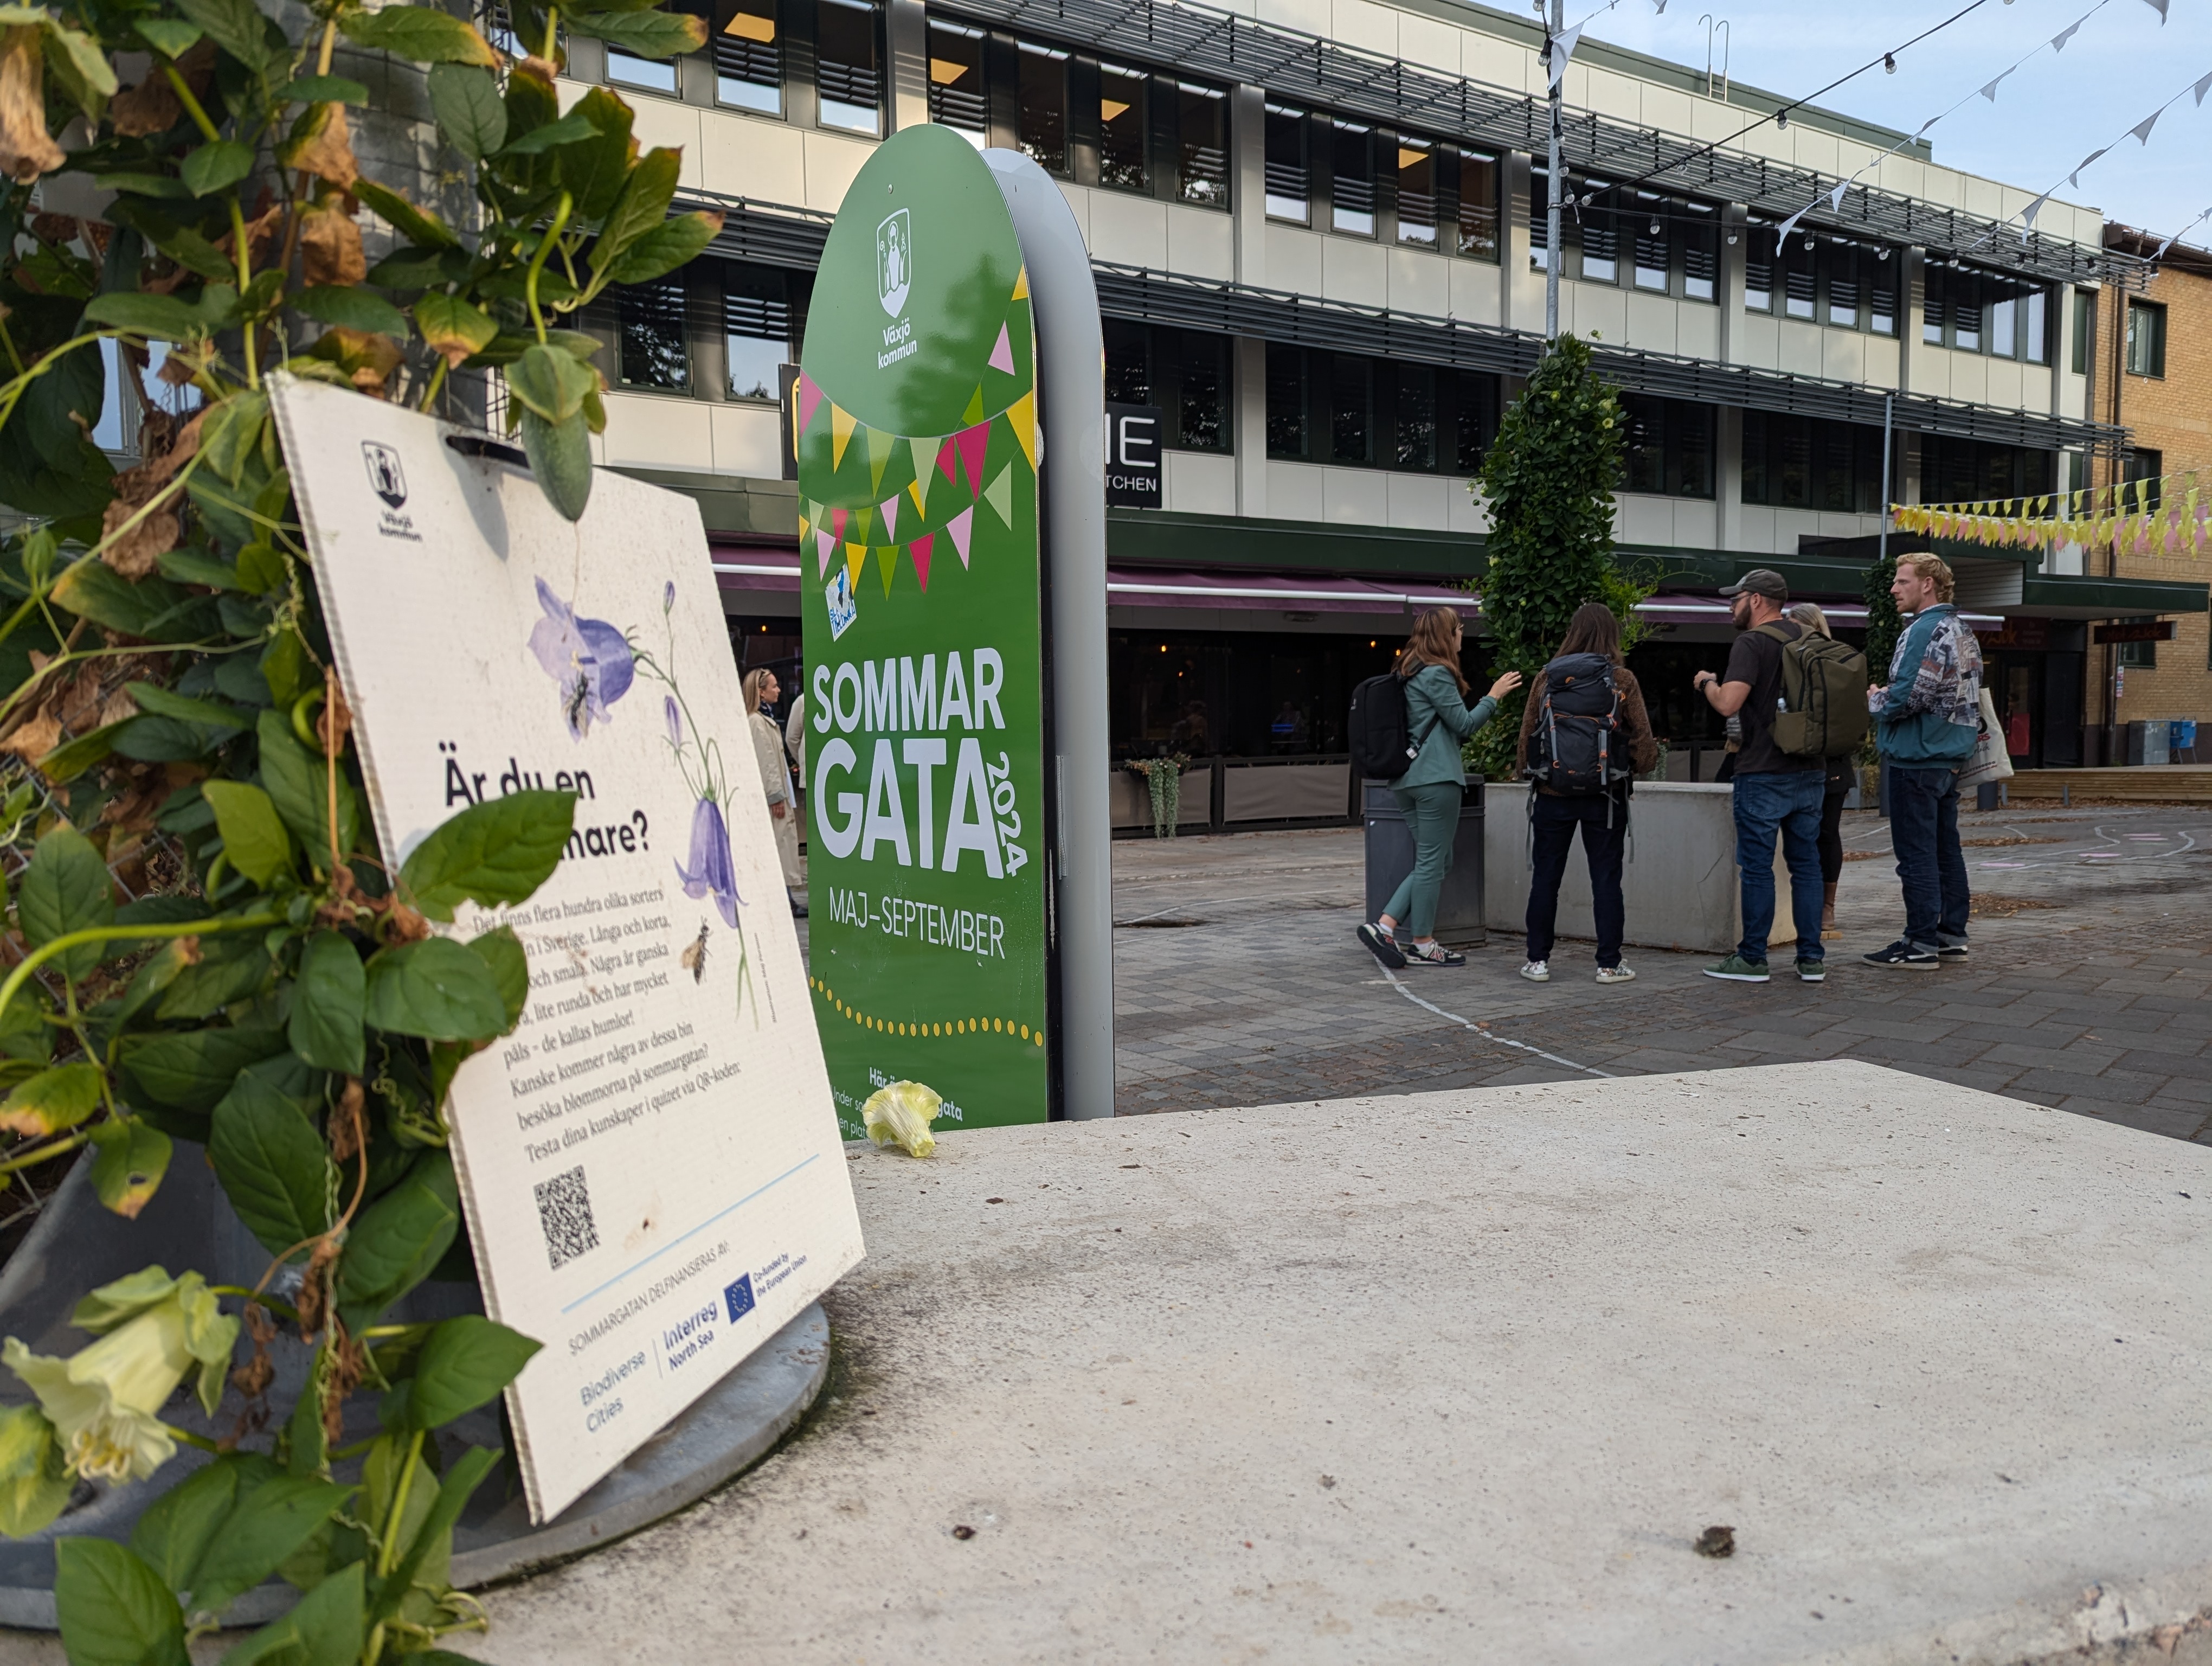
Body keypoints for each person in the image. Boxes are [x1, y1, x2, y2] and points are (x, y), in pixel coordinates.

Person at [1356, 607, 1521, 969]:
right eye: (1459, 629)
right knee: (1432, 862)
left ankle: (1385, 927)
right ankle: (1422, 942)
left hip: (1406, 780)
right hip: (1435, 779)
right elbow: (1464, 725)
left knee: (1436, 860)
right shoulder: (1437, 674)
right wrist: (1493, 696)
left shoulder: (1407, 671)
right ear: (1447, 636)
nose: (1463, 634)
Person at [1690, 569, 1826, 984]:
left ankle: (1752, 959)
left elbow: (1730, 704)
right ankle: (1811, 959)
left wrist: (1708, 684)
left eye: (1737, 599)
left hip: (1763, 770)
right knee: (1806, 867)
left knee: (1757, 869)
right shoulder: (1811, 640)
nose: (1731, 607)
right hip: (1811, 770)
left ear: (1757, 601)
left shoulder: (1751, 643)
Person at [1514, 602, 1658, 984]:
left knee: (1546, 877)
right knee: (1606, 879)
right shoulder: (1622, 680)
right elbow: (1644, 744)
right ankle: (1609, 964)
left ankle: (1538, 962)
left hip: (1551, 793)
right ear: (1611, 635)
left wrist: (1529, 775)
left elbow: (1528, 734)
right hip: (1606, 798)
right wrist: (1635, 767)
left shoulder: (1546, 678)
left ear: (1572, 634)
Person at [1864, 552, 1982, 969]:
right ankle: (1951, 934)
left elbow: (1909, 696)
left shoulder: (1924, 630)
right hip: (1949, 755)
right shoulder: (1963, 630)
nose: (1894, 589)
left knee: (1916, 854)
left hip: (1917, 756)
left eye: (1902, 581)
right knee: (1946, 850)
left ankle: (1919, 943)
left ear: (1927, 584)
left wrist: (1875, 699)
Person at [1789, 601, 1853, 934]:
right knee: (1806, 834)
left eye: (1794, 624)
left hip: (1832, 759)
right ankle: (1804, 904)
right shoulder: (1790, 658)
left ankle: (1827, 905)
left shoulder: (1834, 659)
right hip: (1801, 759)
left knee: (1826, 833)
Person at [743, 668, 806, 917]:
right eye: (774, 686)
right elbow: (766, 761)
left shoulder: (763, 719)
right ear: (761, 692)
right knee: (780, 844)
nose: (779, 690)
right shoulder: (757, 722)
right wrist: (776, 796)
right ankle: (784, 899)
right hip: (775, 797)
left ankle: (786, 897)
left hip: (779, 793)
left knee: (782, 843)